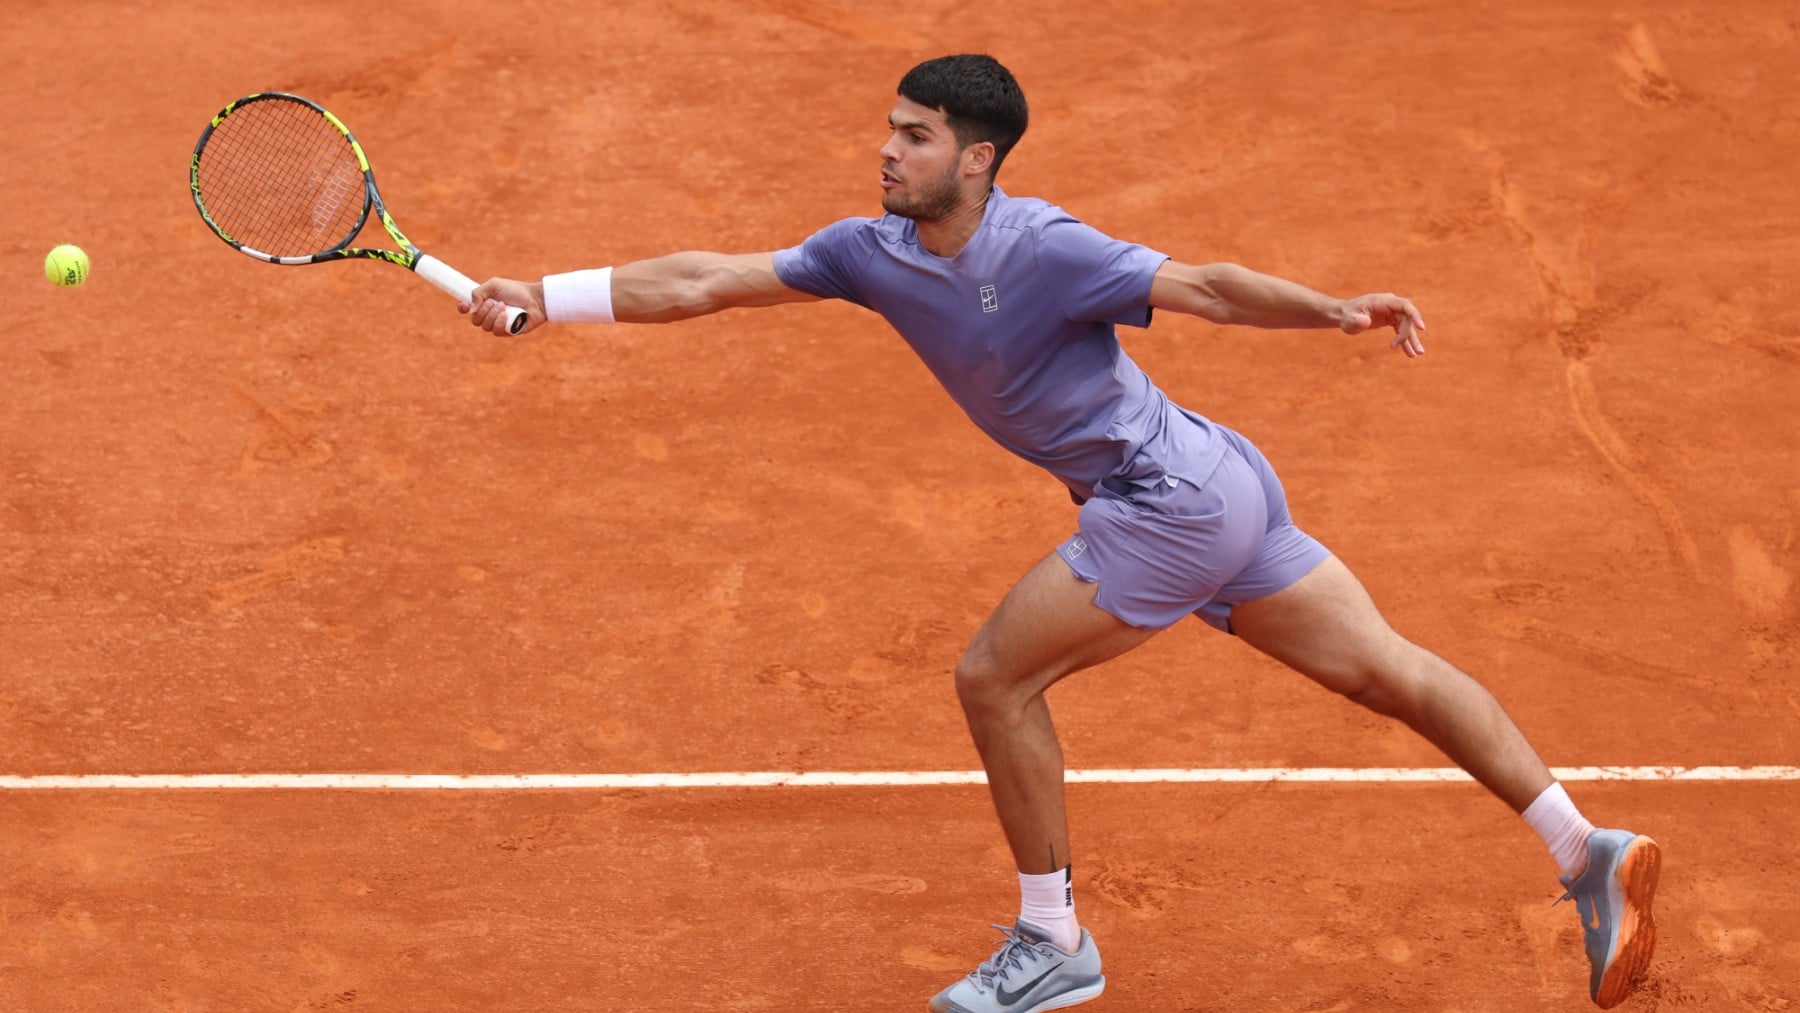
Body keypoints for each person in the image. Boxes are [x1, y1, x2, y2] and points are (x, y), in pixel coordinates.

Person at [462, 53, 1660, 1013]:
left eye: (916, 135)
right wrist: (542, 293)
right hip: (1218, 482)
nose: (888, 148)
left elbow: (1205, 285)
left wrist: (1333, 309)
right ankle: (1581, 844)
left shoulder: (1046, 249)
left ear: (976, 159)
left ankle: (1053, 939)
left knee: (994, 677)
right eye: (891, 127)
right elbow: (708, 278)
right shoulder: (866, 254)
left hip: (1166, 500)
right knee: (1384, 670)